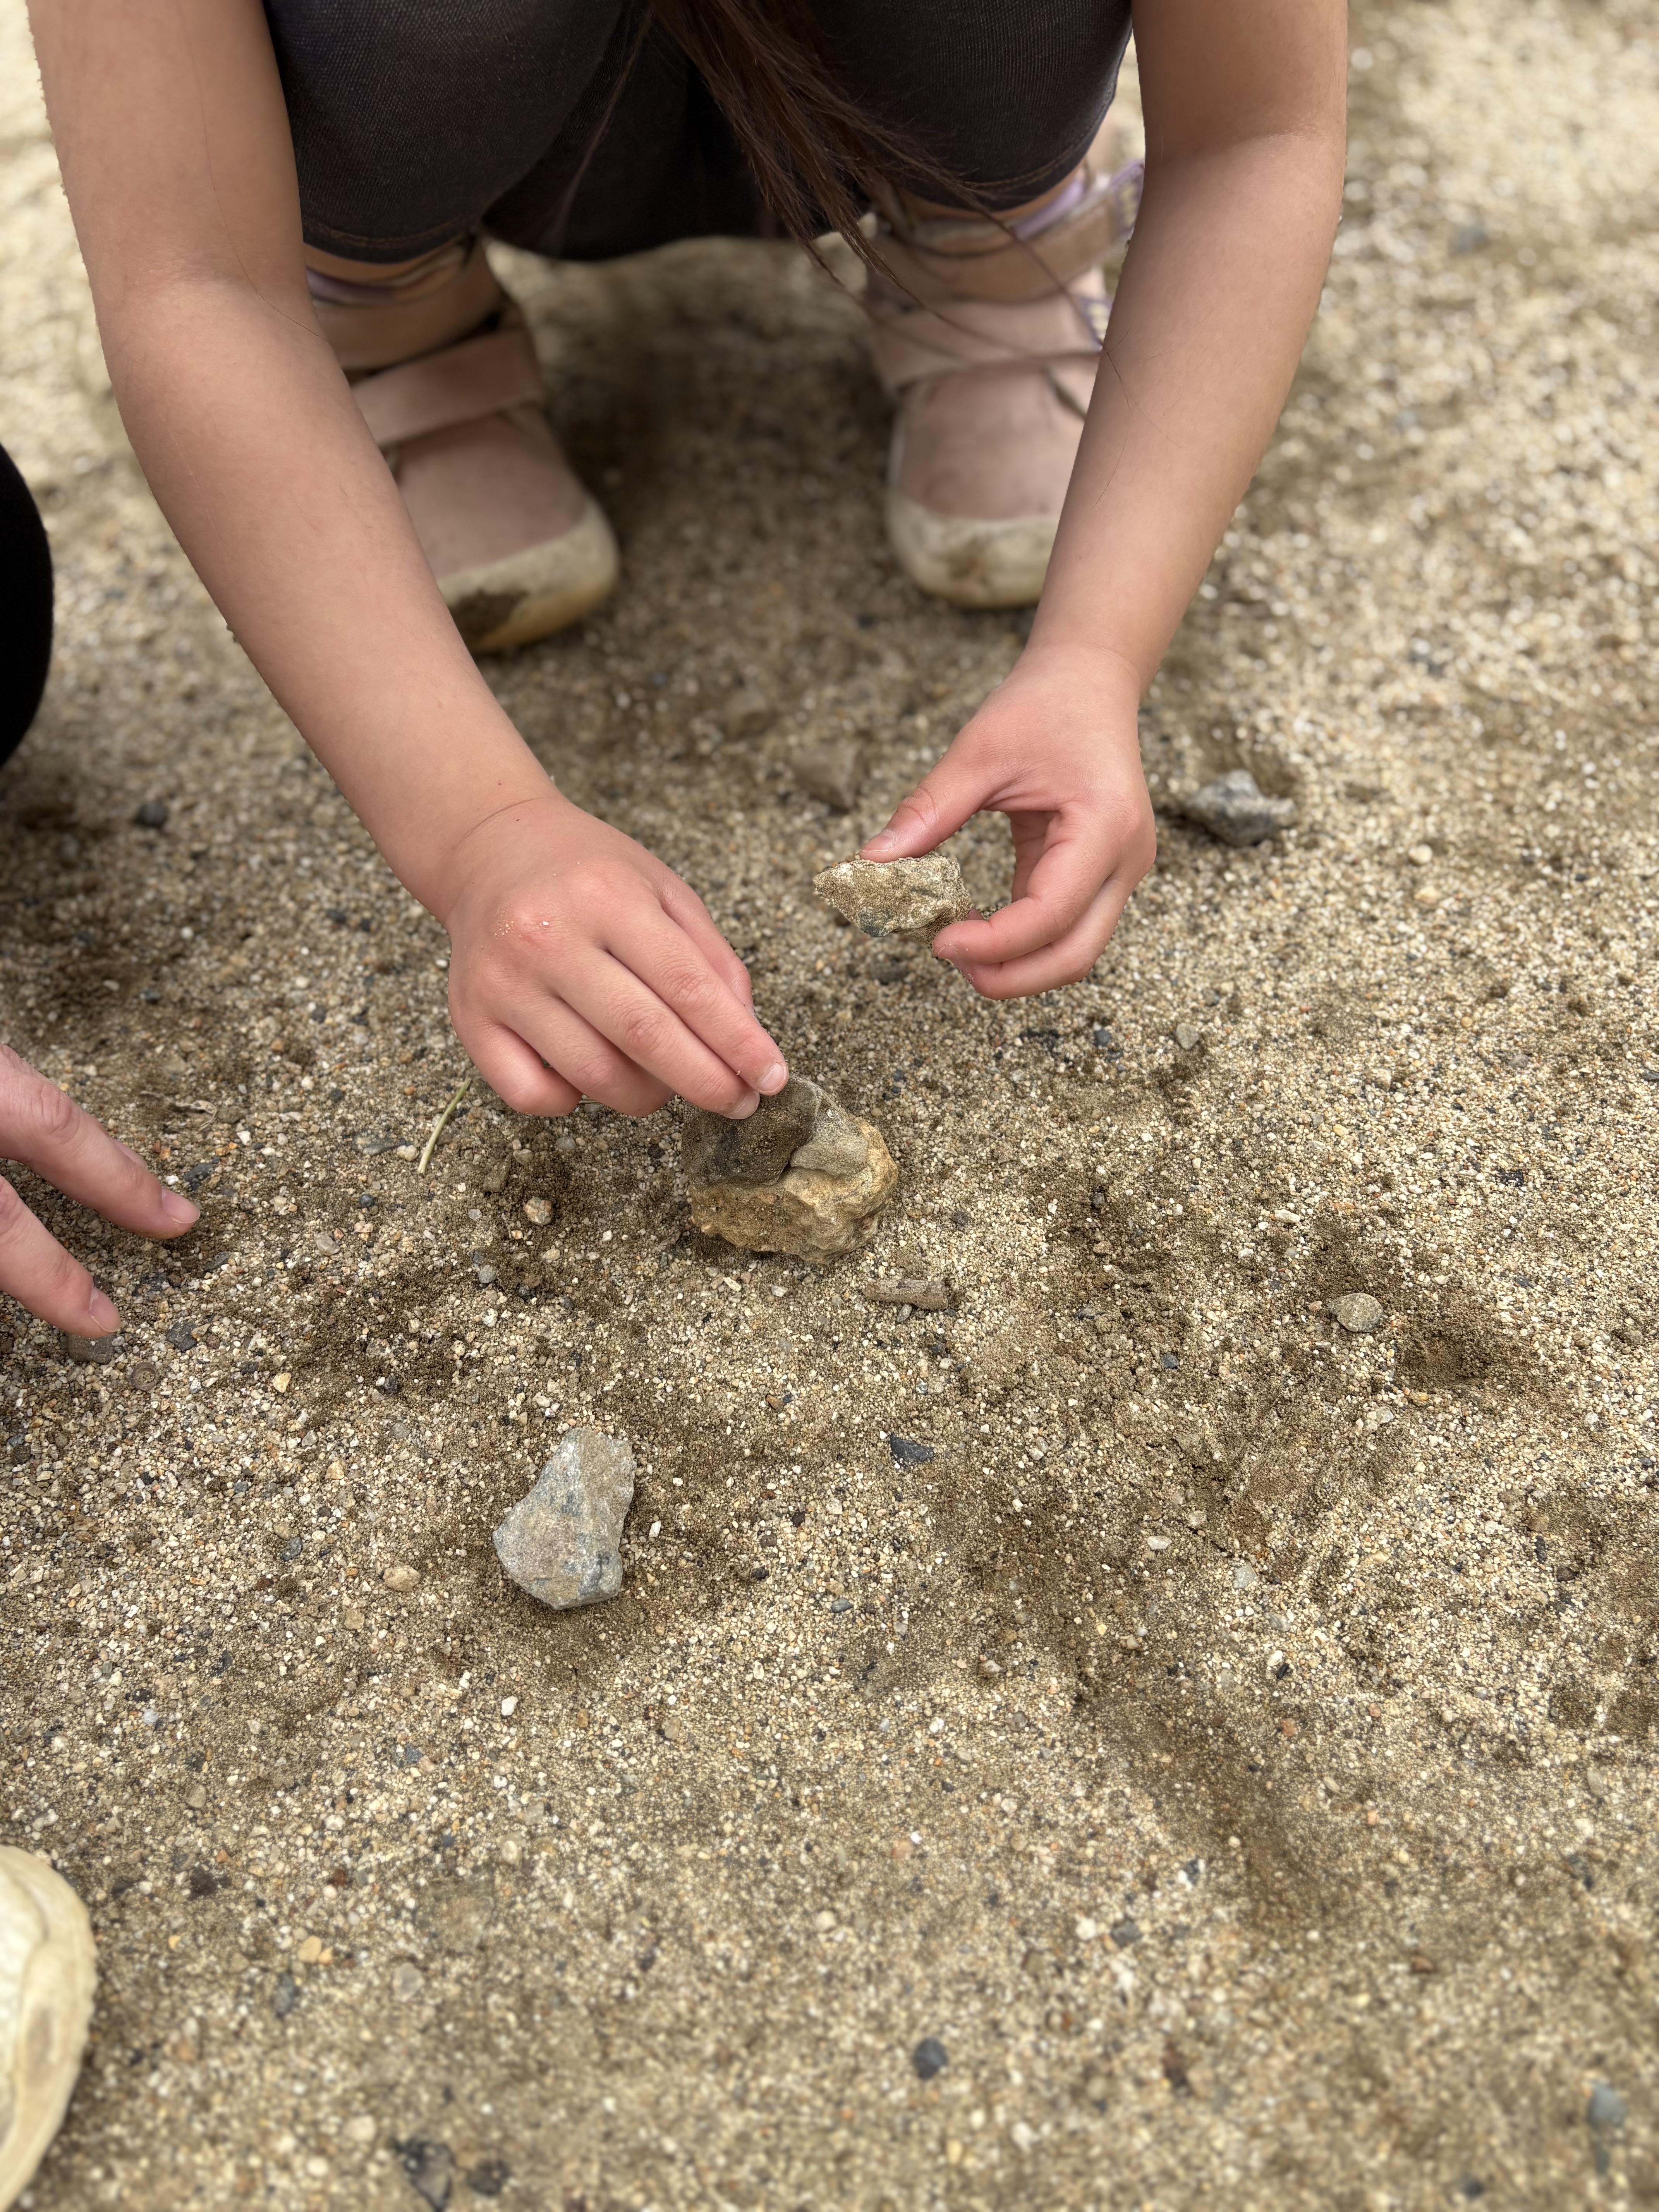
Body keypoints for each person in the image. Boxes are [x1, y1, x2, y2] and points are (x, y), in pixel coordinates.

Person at [27, 0, 1346, 1132]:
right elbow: (193, 276)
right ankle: (382, 306)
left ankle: (997, 242)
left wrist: (1095, 653)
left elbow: (1254, 131)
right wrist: (481, 832)